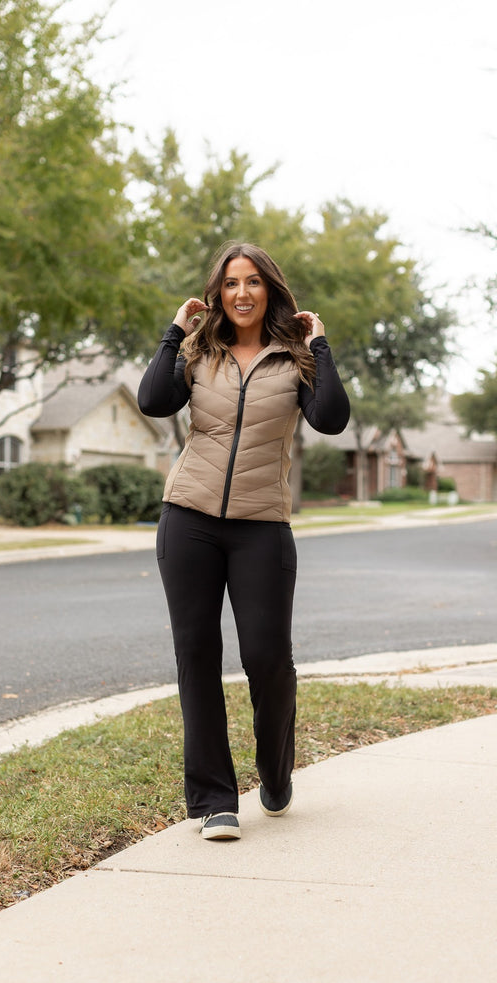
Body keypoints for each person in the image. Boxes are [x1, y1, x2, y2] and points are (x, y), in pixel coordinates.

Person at [138, 242, 350, 841]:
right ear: (217, 292)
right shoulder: (199, 352)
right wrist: (175, 332)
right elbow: (153, 400)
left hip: (262, 526)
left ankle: (275, 769)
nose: (242, 293)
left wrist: (319, 347)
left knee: (267, 657)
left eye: (253, 282)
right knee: (197, 654)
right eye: (231, 283)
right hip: (189, 519)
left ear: (270, 290)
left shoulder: (294, 360)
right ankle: (213, 801)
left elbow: (332, 418)